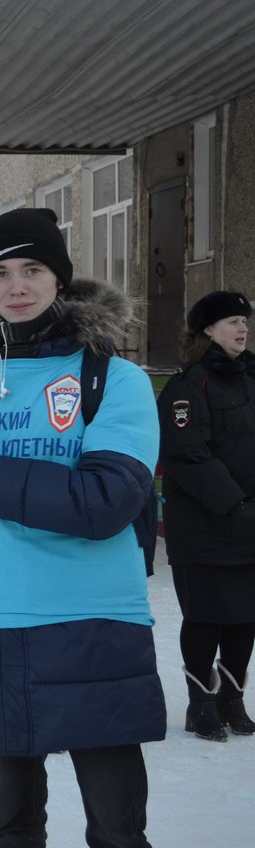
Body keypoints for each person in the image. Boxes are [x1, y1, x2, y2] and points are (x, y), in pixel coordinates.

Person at [0, 208, 166, 847]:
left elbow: (104, 501)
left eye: (33, 269)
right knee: (13, 825)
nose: (16, 286)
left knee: (116, 829)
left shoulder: (113, 379)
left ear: (60, 279)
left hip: (92, 623)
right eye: (0, 272)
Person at [156, 290, 255, 742]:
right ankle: (201, 706)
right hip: (205, 526)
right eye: (233, 321)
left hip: (248, 520)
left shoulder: (250, 379)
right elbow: (186, 455)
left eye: (245, 321)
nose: (243, 328)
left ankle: (232, 701)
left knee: (245, 616)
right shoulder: (188, 386)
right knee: (207, 616)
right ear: (208, 330)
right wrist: (235, 505)